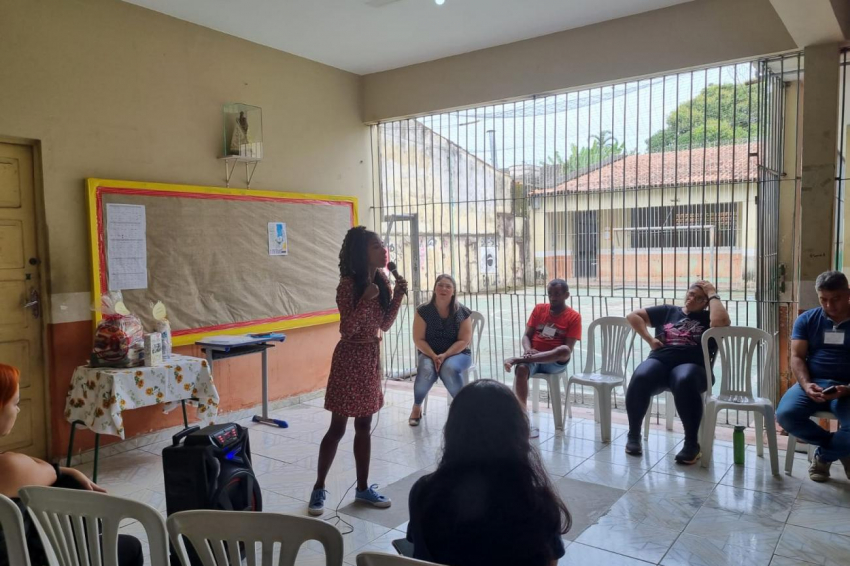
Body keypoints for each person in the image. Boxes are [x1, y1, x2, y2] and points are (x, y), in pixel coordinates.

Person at [406, 379, 570, 566]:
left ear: (453, 431)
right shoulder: (537, 504)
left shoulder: (424, 491)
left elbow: (419, 550)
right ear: (518, 433)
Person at [0, 364, 143, 566]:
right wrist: (69, 471)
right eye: (15, 403)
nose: (18, 410)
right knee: (131, 547)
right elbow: (47, 470)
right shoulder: (10, 468)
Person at [308, 226, 407, 516]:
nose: (382, 249)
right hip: (349, 358)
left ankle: (362, 488)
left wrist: (398, 295)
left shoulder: (382, 281)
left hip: (369, 358)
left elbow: (385, 325)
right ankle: (318, 487)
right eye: (376, 246)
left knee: (364, 426)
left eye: (382, 245)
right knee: (337, 428)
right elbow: (346, 328)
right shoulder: (348, 286)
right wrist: (365, 300)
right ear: (362, 252)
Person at [624, 280, 731, 464]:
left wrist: (712, 293)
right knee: (641, 375)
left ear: (706, 303)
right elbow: (633, 316)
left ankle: (691, 444)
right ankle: (634, 435)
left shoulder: (709, 318)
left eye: (699, 298)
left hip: (694, 367)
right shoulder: (668, 311)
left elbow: (722, 322)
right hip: (661, 361)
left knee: (684, 379)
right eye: (691, 294)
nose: (692, 299)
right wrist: (650, 339)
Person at [776, 271, 850, 482]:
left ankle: (824, 457)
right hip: (814, 382)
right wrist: (807, 384)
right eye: (823, 299)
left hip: (847, 388)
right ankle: (841, 449)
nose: (829, 305)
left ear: (848, 294)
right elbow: (797, 356)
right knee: (785, 415)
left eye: (835, 299)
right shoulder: (807, 319)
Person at [503, 279, 581, 437]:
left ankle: (517, 359)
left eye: (557, 294)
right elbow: (526, 335)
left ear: (566, 295)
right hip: (533, 358)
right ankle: (523, 420)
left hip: (555, 362)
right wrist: (528, 349)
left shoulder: (573, 317)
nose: (553, 298)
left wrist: (526, 356)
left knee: (564, 350)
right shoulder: (539, 309)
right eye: (550, 294)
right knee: (521, 369)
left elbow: (568, 349)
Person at [408, 274, 473, 426]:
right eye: (440, 285)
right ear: (435, 289)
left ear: (454, 291)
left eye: (448, 286)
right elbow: (418, 339)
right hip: (429, 352)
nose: (444, 288)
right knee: (425, 369)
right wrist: (433, 355)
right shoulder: (423, 311)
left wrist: (445, 355)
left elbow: (464, 340)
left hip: (458, 353)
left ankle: (462, 409)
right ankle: (416, 406)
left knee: (448, 368)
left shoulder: (463, 312)